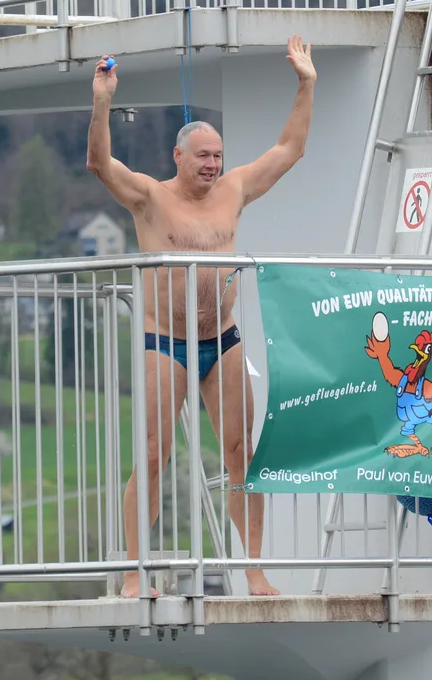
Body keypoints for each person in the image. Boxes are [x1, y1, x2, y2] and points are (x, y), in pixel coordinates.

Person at [86, 34, 317, 598]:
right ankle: (134, 575)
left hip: (224, 341)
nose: (212, 165)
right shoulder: (149, 197)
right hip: (165, 341)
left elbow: (289, 150)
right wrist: (102, 101)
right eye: (203, 157)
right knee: (154, 454)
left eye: (217, 155)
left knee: (242, 453)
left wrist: (306, 83)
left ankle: (254, 569)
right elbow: (99, 163)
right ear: (178, 158)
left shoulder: (234, 189)